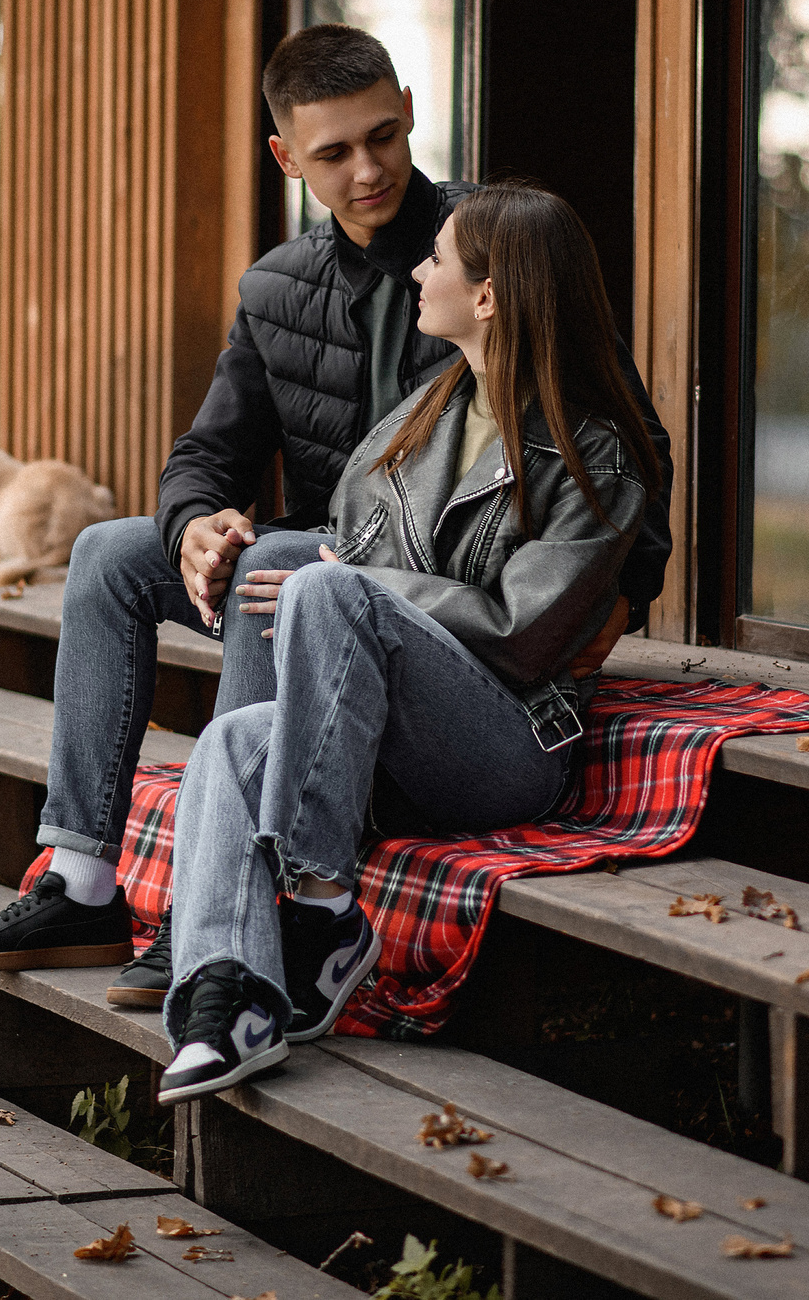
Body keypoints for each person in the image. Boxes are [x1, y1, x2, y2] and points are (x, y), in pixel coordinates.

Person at [0, 26, 673, 1002]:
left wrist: (620, 594)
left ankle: (232, 888)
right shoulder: (276, 290)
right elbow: (207, 453)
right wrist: (194, 523)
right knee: (113, 553)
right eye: (335, 153)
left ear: (406, 110)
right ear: (286, 159)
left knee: (274, 555)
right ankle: (81, 878)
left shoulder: (486, 250)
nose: (370, 169)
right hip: (343, 549)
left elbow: (617, 439)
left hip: (424, 578)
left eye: (385, 136)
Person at [154, 182, 660, 1101]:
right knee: (228, 742)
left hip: (508, 742)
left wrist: (352, 584)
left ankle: (320, 906)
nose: (418, 270)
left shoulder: (596, 453)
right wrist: (309, 569)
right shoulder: (428, 410)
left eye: (437, 259)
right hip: (391, 736)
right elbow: (346, 539)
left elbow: (523, 633)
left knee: (330, 587)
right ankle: (229, 999)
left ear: (491, 293)